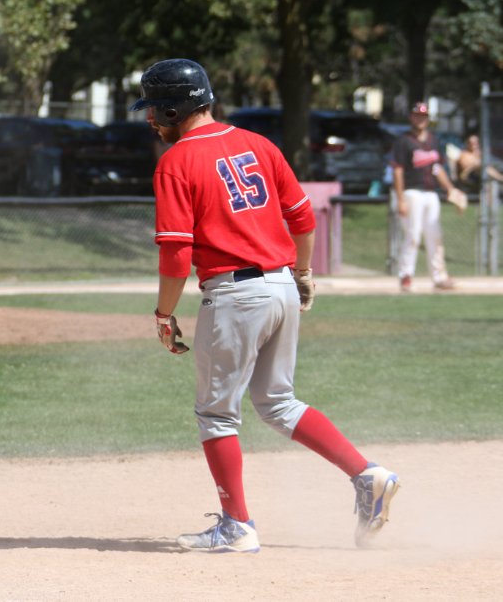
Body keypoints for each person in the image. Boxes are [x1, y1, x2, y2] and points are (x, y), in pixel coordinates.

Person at [138, 58, 399, 553]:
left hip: (234, 294)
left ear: (173, 108)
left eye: (154, 108)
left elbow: (176, 254)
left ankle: (236, 527)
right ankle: (367, 476)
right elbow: (302, 219)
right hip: (280, 283)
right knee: (278, 402)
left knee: (216, 414)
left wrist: (163, 314)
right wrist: (302, 274)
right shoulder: (259, 144)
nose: (150, 118)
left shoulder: (176, 161)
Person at [392, 102, 464, 292]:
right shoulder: (404, 141)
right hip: (411, 192)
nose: (420, 119)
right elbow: (397, 171)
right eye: (417, 115)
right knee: (413, 235)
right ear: (411, 117)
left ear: (428, 119)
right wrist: (400, 199)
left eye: (423, 116)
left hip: (431, 193)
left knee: (435, 234)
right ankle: (406, 275)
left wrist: (450, 189)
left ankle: (439, 277)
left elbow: (437, 168)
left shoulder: (433, 140)